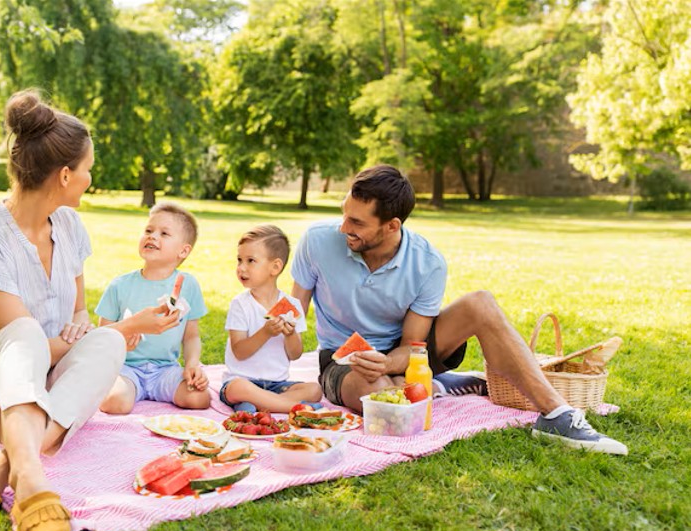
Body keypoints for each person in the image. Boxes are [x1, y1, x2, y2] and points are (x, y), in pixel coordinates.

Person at [0, 90, 180, 531]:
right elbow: (23, 344)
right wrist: (128, 327)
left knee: (108, 344)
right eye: (88, 169)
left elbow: (79, 315)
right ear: (66, 174)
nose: (91, 178)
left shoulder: (69, 227)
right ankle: (30, 479)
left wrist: (100, 332)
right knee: (29, 330)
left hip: (48, 384)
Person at [291, 164, 628, 455]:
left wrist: (389, 362)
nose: (342, 227)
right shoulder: (317, 242)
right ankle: (441, 385)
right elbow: (292, 314)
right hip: (341, 359)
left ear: (392, 225)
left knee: (481, 302)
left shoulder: (427, 262)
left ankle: (557, 415)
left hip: (405, 352)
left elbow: (413, 345)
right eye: (343, 213)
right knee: (385, 404)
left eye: (356, 222)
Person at [95, 202, 211, 413]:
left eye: (164, 233)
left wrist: (193, 364)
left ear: (183, 251)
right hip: (126, 368)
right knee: (115, 402)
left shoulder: (189, 285)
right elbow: (102, 335)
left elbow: (191, 336)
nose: (152, 236)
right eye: (148, 230)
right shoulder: (119, 285)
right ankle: (117, 389)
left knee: (200, 398)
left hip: (166, 370)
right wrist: (124, 337)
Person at [219, 225, 322, 413]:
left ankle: (260, 405)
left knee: (314, 390)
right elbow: (239, 351)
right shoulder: (240, 304)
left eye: (251, 261)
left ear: (275, 267)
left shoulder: (291, 304)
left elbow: (295, 354)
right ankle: (295, 408)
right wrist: (266, 332)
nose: (241, 267)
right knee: (238, 388)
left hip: (277, 385)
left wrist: (290, 335)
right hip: (242, 381)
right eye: (239, 260)